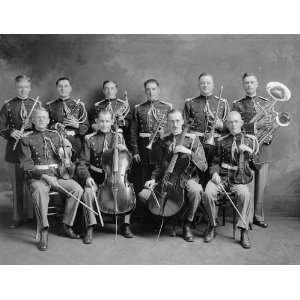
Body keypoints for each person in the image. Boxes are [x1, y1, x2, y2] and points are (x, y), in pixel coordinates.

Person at [19, 107, 84, 251]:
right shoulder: (26, 137)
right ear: (33, 120)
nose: (41, 120)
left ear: (49, 120)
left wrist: (68, 150)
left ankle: (67, 225)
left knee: (77, 189)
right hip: (38, 178)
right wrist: (43, 176)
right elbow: (26, 164)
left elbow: (67, 155)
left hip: (58, 175)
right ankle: (44, 230)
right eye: (38, 117)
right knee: (39, 191)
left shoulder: (56, 135)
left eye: (44, 117)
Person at [141, 109, 207, 242]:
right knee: (144, 194)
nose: (175, 124)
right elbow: (160, 165)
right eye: (171, 121)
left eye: (177, 121)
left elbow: (204, 165)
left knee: (196, 190)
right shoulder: (164, 141)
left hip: (187, 177)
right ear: (167, 123)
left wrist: (188, 151)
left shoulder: (193, 140)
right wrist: (153, 179)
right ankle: (162, 219)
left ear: (182, 121)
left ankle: (187, 224)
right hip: (168, 178)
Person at [77, 109, 134, 244]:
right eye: (101, 121)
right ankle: (90, 227)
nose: (104, 124)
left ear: (112, 122)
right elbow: (82, 163)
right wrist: (87, 178)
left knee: (128, 191)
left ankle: (125, 225)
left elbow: (127, 160)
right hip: (96, 176)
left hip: (115, 176)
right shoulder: (89, 139)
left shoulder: (119, 137)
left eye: (107, 121)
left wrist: (125, 150)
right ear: (96, 122)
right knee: (88, 193)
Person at [203, 111, 258, 249]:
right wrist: (214, 173)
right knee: (208, 192)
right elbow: (215, 162)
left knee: (245, 194)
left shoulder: (250, 140)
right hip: (221, 177)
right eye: (230, 122)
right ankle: (212, 225)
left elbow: (257, 165)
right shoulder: (221, 140)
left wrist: (250, 154)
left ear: (241, 123)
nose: (233, 125)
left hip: (239, 179)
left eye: (236, 121)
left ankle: (243, 231)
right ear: (226, 124)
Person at [0, 75, 41, 228]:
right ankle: (17, 217)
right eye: (20, 87)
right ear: (16, 87)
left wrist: (32, 124)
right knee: (17, 185)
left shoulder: (36, 104)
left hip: (32, 150)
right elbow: (1, 127)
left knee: (33, 183)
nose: (23, 90)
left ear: (30, 88)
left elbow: (42, 127)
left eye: (26, 87)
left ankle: (32, 216)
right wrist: (11, 132)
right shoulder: (8, 106)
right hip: (14, 150)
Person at [232, 73, 271, 228]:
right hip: (246, 147)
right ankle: (247, 218)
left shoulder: (266, 103)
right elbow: (236, 126)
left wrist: (269, 135)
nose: (249, 85)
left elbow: (271, 122)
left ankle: (258, 217)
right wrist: (256, 126)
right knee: (248, 183)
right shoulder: (237, 105)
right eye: (246, 83)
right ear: (243, 85)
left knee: (261, 186)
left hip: (264, 147)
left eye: (252, 82)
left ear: (257, 84)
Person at [130, 78, 172, 192]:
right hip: (143, 148)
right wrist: (135, 151)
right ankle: (144, 203)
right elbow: (133, 131)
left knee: (160, 175)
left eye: (153, 89)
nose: (151, 92)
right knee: (143, 177)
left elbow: (172, 129)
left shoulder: (167, 107)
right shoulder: (138, 108)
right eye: (148, 89)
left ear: (158, 90)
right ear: (145, 91)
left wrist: (165, 133)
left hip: (160, 147)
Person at [183, 73, 229, 169]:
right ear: (198, 85)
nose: (205, 85)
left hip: (217, 145)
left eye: (208, 83)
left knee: (213, 172)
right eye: (202, 83)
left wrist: (221, 125)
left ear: (213, 85)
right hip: (196, 144)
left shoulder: (223, 103)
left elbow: (229, 128)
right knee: (197, 173)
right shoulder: (189, 103)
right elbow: (184, 127)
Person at [46, 77, 89, 162]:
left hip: (75, 142)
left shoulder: (79, 105)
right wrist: (55, 125)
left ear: (70, 88)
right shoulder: (50, 106)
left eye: (66, 86)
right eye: (60, 86)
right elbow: (44, 126)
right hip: (56, 141)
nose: (63, 89)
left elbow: (86, 127)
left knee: (75, 169)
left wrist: (77, 125)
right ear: (57, 88)